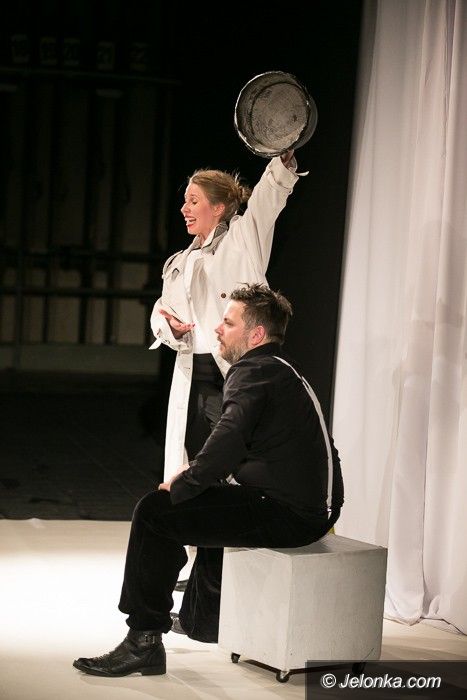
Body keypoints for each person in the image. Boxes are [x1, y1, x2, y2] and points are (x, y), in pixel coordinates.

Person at [73, 283, 344, 678]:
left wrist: (185, 482)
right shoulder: (282, 370)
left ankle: (143, 640)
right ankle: (203, 620)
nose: (217, 329)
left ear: (256, 334)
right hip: (308, 510)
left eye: (228, 323)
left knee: (156, 512)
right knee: (212, 502)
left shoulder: (253, 371)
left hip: (290, 514)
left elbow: (229, 437)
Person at [149, 149, 305, 639]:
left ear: (219, 207)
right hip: (193, 379)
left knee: (223, 481)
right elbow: (160, 312)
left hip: (233, 375)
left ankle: (213, 605)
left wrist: (282, 160)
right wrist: (168, 325)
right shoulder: (180, 260)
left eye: (194, 200)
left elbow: (268, 198)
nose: (184, 208)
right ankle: (190, 591)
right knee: (187, 472)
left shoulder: (244, 236)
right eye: (184, 201)